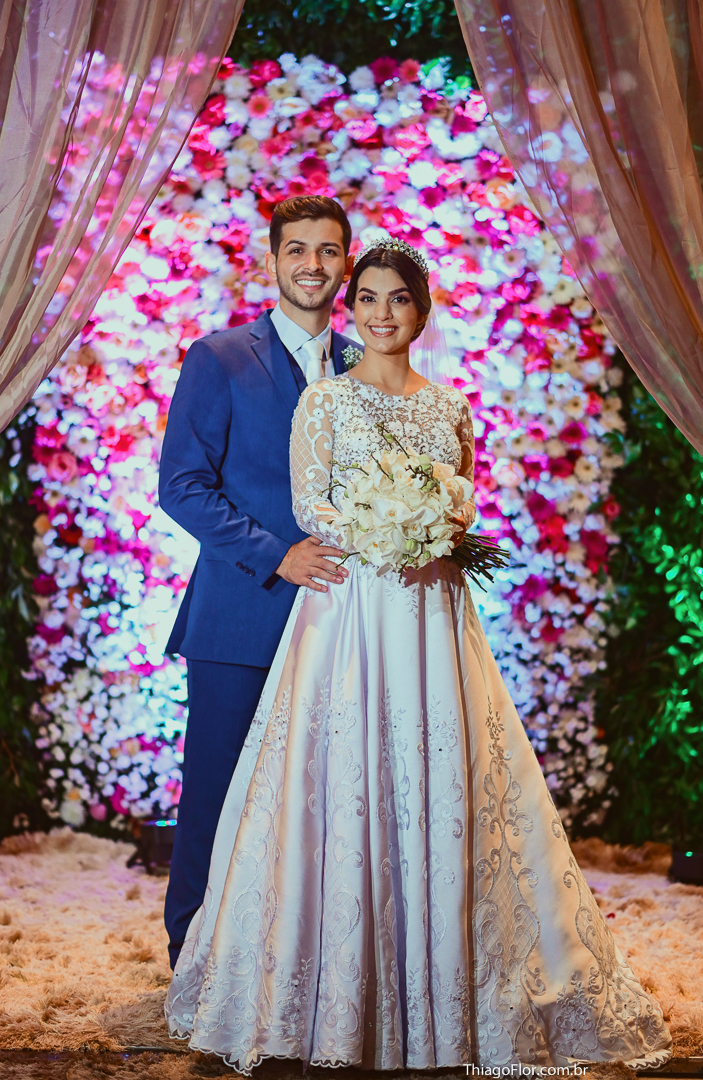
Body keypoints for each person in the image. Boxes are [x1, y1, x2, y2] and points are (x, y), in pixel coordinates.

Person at [165, 237, 672, 1074]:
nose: (381, 312)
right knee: (321, 789)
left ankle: (443, 985)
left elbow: (462, 505)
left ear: (421, 310)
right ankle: (302, 990)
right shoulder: (313, 397)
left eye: (397, 298)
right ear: (346, 302)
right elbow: (306, 504)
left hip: (432, 618)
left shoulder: (448, 408)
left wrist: (431, 522)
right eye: (367, 297)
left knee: (443, 780)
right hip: (346, 615)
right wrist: (378, 523)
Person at [158, 195, 358, 970]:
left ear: (345, 263)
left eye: (327, 250)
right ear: (271, 261)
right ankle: (191, 962)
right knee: (216, 793)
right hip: (240, 616)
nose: (312, 264)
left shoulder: (362, 365)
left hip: (342, 619)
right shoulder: (218, 357)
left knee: (321, 798)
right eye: (296, 249)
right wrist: (277, 555)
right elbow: (182, 486)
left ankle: (298, 964)